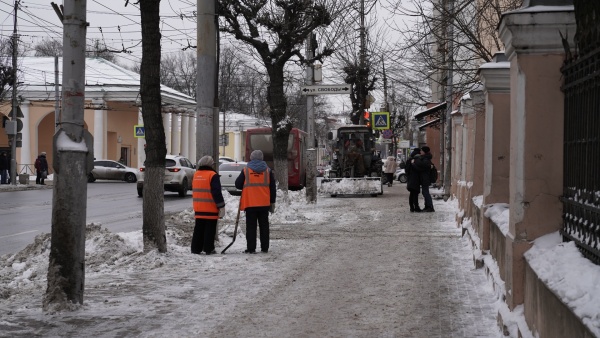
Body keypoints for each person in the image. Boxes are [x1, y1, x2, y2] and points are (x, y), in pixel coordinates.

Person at [235, 150, 276, 254]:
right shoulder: (268, 171)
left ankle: (251, 248)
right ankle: (265, 248)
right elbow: (272, 188)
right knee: (264, 226)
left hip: (250, 204)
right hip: (264, 204)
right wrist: (272, 202)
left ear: (251, 158)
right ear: (262, 158)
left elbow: (238, 185)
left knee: (251, 227)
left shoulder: (246, 170)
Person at [191, 155, 225, 255]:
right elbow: (216, 192)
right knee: (210, 230)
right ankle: (208, 248)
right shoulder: (212, 175)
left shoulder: (196, 174)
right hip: (210, 208)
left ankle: (196, 249)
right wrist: (221, 206)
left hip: (198, 207)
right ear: (210, 164)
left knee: (198, 229)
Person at [413, 146, 435, 212]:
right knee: (425, 192)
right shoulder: (425, 158)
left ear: (424, 152)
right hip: (425, 178)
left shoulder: (425, 159)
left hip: (425, 178)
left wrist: (414, 164)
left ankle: (430, 206)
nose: (420, 152)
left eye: (422, 151)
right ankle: (427, 206)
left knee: (426, 193)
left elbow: (421, 168)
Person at [406, 148, 422, 212]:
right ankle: (416, 207)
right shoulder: (416, 160)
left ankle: (412, 207)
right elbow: (418, 169)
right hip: (415, 179)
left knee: (412, 193)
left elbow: (406, 170)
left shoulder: (409, 160)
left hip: (410, 179)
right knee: (415, 193)